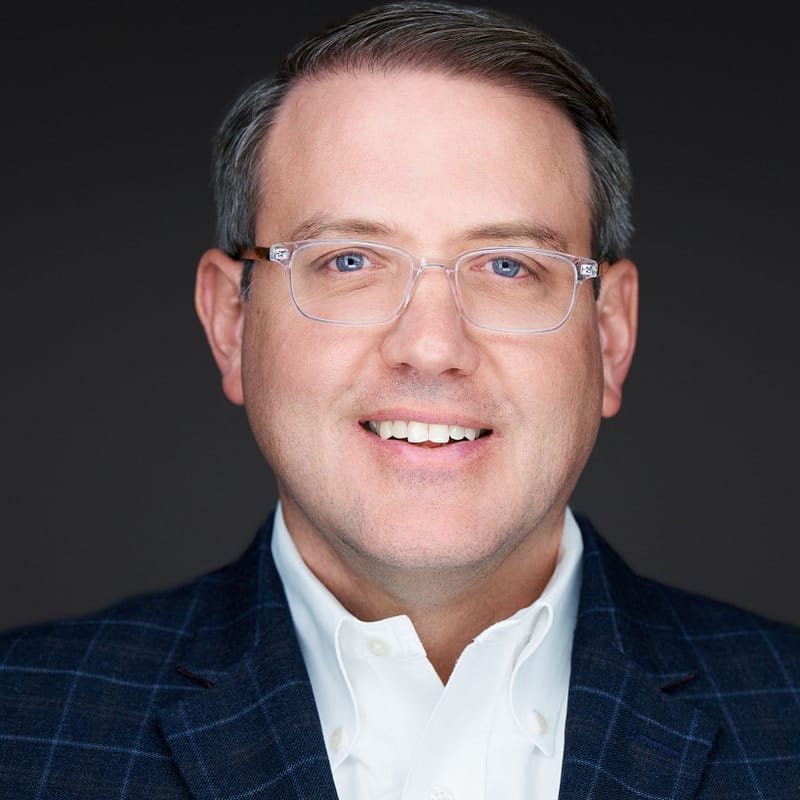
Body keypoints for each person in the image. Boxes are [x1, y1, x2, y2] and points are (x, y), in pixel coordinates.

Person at [1, 2, 798, 798]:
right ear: (233, 322)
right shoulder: (22, 729)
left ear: (612, 336)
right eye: (349, 259)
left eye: (510, 266)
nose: (431, 346)